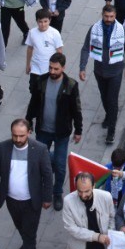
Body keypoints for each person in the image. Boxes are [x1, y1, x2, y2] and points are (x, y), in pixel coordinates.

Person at [0, 119, 53, 249]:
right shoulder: (3, 147)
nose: (17, 139)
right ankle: (28, 241)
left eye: (21, 136)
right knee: (20, 226)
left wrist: (47, 197)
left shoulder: (40, 149)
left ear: (29, 133)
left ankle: (29, 248)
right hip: (11, 200)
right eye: (14, 135)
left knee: (29, 232)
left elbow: (47, 175)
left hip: (31, 201)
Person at [26, 53, 84, 210]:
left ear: (63, 68)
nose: (52, 71)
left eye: (55, 68)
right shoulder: (42, 81)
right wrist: (28, 120)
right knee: (39, 160)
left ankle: (57, 192)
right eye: (50, 67)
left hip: (61, 132)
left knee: (59, 165)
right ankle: (41, 188)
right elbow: (34, 102)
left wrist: (78, 130)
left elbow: (76, 109)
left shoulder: (71, 85)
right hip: (43, 130)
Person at [77, 3, 125, 145]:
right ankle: (109, 116)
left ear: (115, 16)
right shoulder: (94, 29)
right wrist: (82, 67)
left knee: (112, 99)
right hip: (99, 70)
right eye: (106, 16)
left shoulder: (121, 30)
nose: (108, 19)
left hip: (115, 70)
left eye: (111, 16)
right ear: (102, 15)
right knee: (104, 96)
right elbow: (86, 48)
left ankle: (111, 131)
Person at [61, 171, 114, 249]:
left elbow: (112, 217)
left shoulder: (106, 197)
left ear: (93, 186)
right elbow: (71, 228)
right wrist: (97, 236)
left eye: (86, 191)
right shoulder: (68, 201)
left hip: (103, 248)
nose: (83, 195)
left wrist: (110, 234)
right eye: (79, 191)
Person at [25, 9, 64, 92]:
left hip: (49, 68)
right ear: (36, 21)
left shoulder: (55, 33)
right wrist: (28, 64)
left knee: (47, 90)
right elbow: (30, 48)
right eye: (40, 22)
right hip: (35, 67)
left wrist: (59, 68)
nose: (43, 24)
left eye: (45, 21)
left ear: (49, 20)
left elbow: (59, 51)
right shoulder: (32, 32)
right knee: (33, 89)